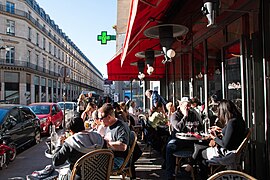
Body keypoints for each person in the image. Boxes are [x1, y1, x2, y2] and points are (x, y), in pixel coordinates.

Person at [193, 99, 247, 179]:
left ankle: (200, 175)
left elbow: (225, 144)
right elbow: (233, 135)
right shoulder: (239, 120)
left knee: (200, 152)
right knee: (199, 147)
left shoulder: (231, 123)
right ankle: (195, 169)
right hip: (234, 151)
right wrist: (220, 130)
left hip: (227, 154)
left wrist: (214, 137)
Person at [166, 97, 203, 180]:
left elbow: (200, 126)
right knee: (169, 147)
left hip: (191, 141)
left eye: (189, 106)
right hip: (178, 140)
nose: (187, 108)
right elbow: (178, 128)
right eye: (186, 105)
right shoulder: (175, 115)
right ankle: (170, 175)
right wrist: (185, 117)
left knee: (201, 147)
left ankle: (197, 172)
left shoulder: (193, 114)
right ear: (180, 105)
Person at [98, 103, 131, 170]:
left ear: (109, 117)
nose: (99, 121)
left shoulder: (121, 127)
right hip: (109, 156)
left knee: (92, 166)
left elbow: (123, 146)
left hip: (118, 159)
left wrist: (106, 144)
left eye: (101, 118)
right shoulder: (108, 126)